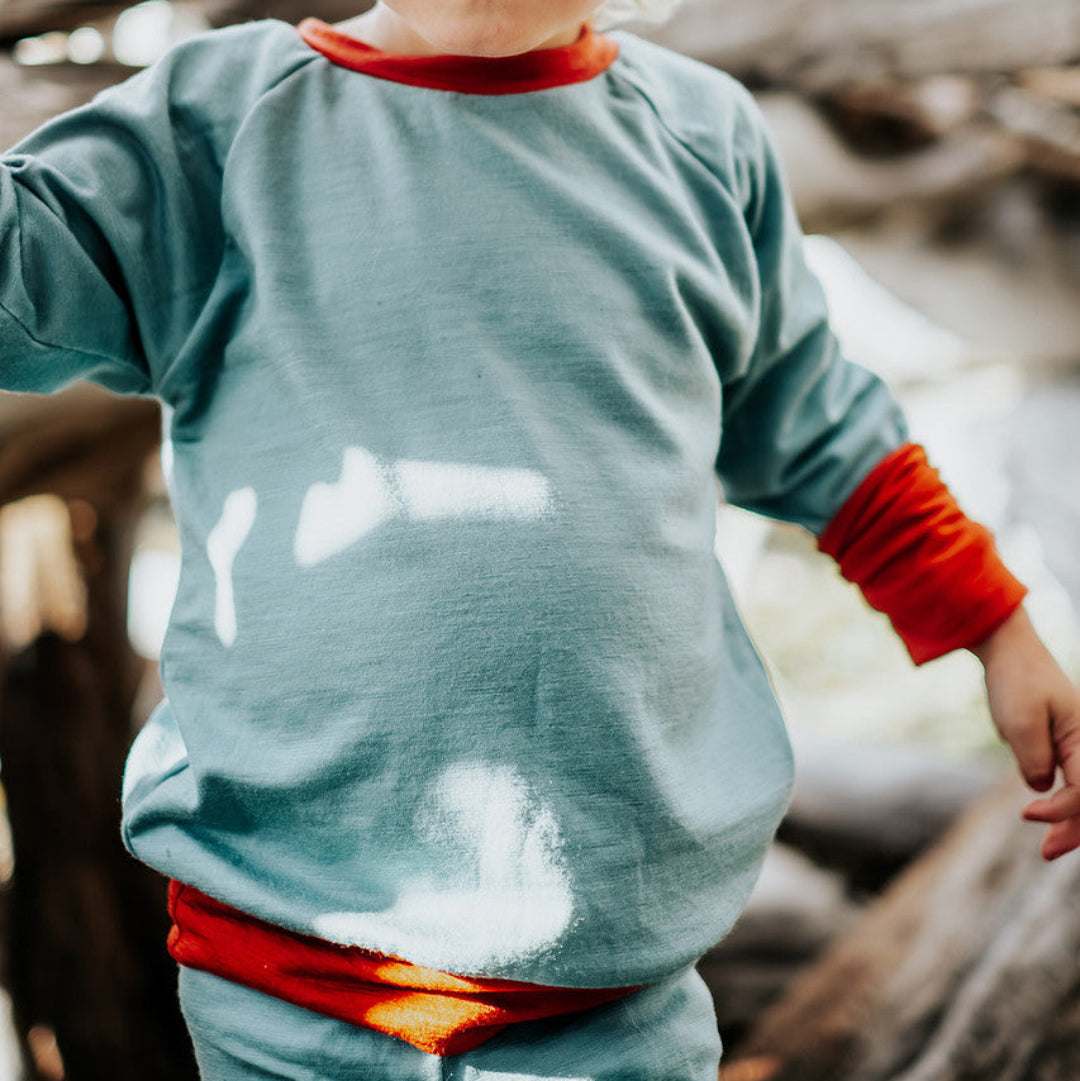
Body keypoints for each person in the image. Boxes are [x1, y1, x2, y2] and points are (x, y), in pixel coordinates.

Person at [2, 0, 1079, 1077]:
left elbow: (824, 433)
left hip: (618, 994)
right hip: (284, 979)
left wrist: (996, 626)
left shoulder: (696, 136)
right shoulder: (218, 128)